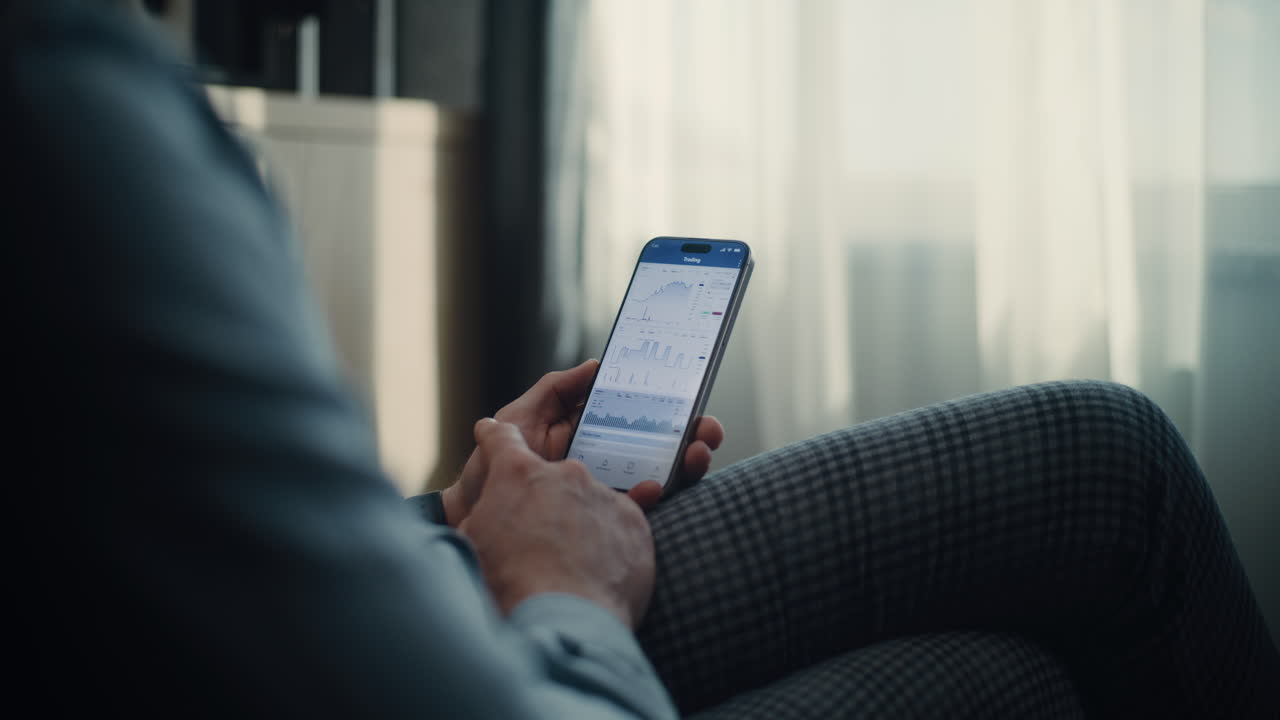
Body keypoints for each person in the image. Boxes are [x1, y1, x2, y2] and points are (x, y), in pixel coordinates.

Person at [6, 1, 1278, 717]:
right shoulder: (61, 110)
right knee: (1105, 488)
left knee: (1027, 673)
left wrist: (447, 514)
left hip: (409, 590)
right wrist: (563, 593)